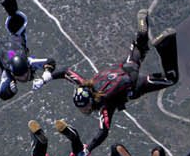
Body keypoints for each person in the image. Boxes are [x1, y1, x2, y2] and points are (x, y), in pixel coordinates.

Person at [62, 11, 179, 146]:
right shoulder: (85, 83)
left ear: (88, 103)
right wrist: (46, 78)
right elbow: (65, 72)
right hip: (124, 67)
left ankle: (164, 45)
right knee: (140, 48)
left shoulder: (105, 105)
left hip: (134, 84)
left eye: (83, 108)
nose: (82, 111)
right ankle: (142, 29)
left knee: (171, 79)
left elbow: (103, 131)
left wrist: (88, 148)